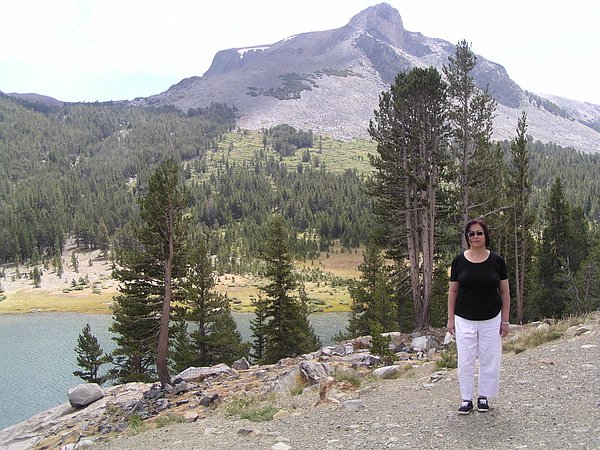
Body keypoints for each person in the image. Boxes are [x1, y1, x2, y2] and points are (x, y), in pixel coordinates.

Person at [447, 218, 510, 414]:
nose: (475, 236)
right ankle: (466, 399)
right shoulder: (458, 261)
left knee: (489, 359)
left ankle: (483, 397)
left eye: (479, 233)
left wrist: (505, 320)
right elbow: (453, 292)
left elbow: (505, 292)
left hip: (491, 318)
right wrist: (450, 318)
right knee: (465, 360)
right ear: (467, 237)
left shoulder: (497, 261)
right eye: (471, 233)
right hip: (464, 318)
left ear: (486, 235)